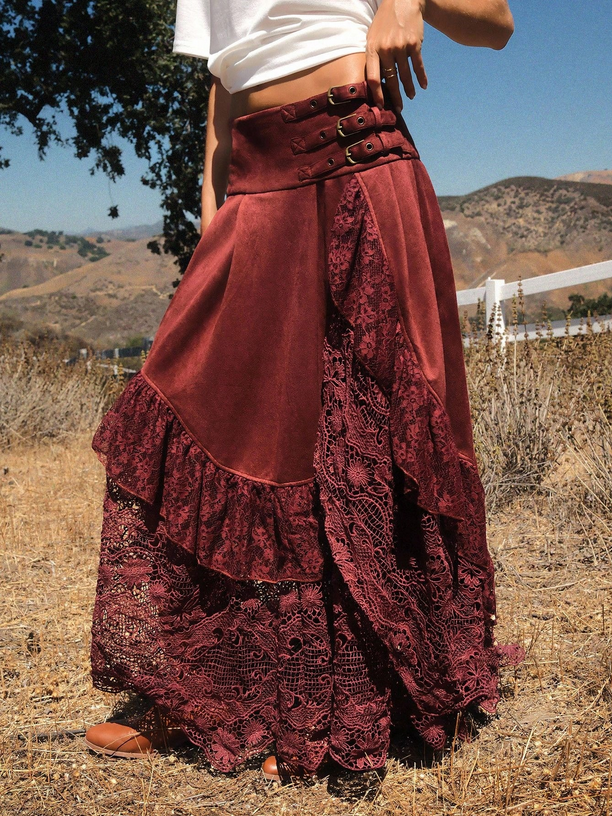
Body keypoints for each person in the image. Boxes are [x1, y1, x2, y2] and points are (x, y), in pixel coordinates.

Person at [84, 0, 523, 785]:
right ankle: (199, 689)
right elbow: (224, 96)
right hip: (259, 181)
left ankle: (368, 692)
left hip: (359, 158)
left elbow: (497, 22)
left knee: (371, 434)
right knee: (215, 415)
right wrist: (215, 223)